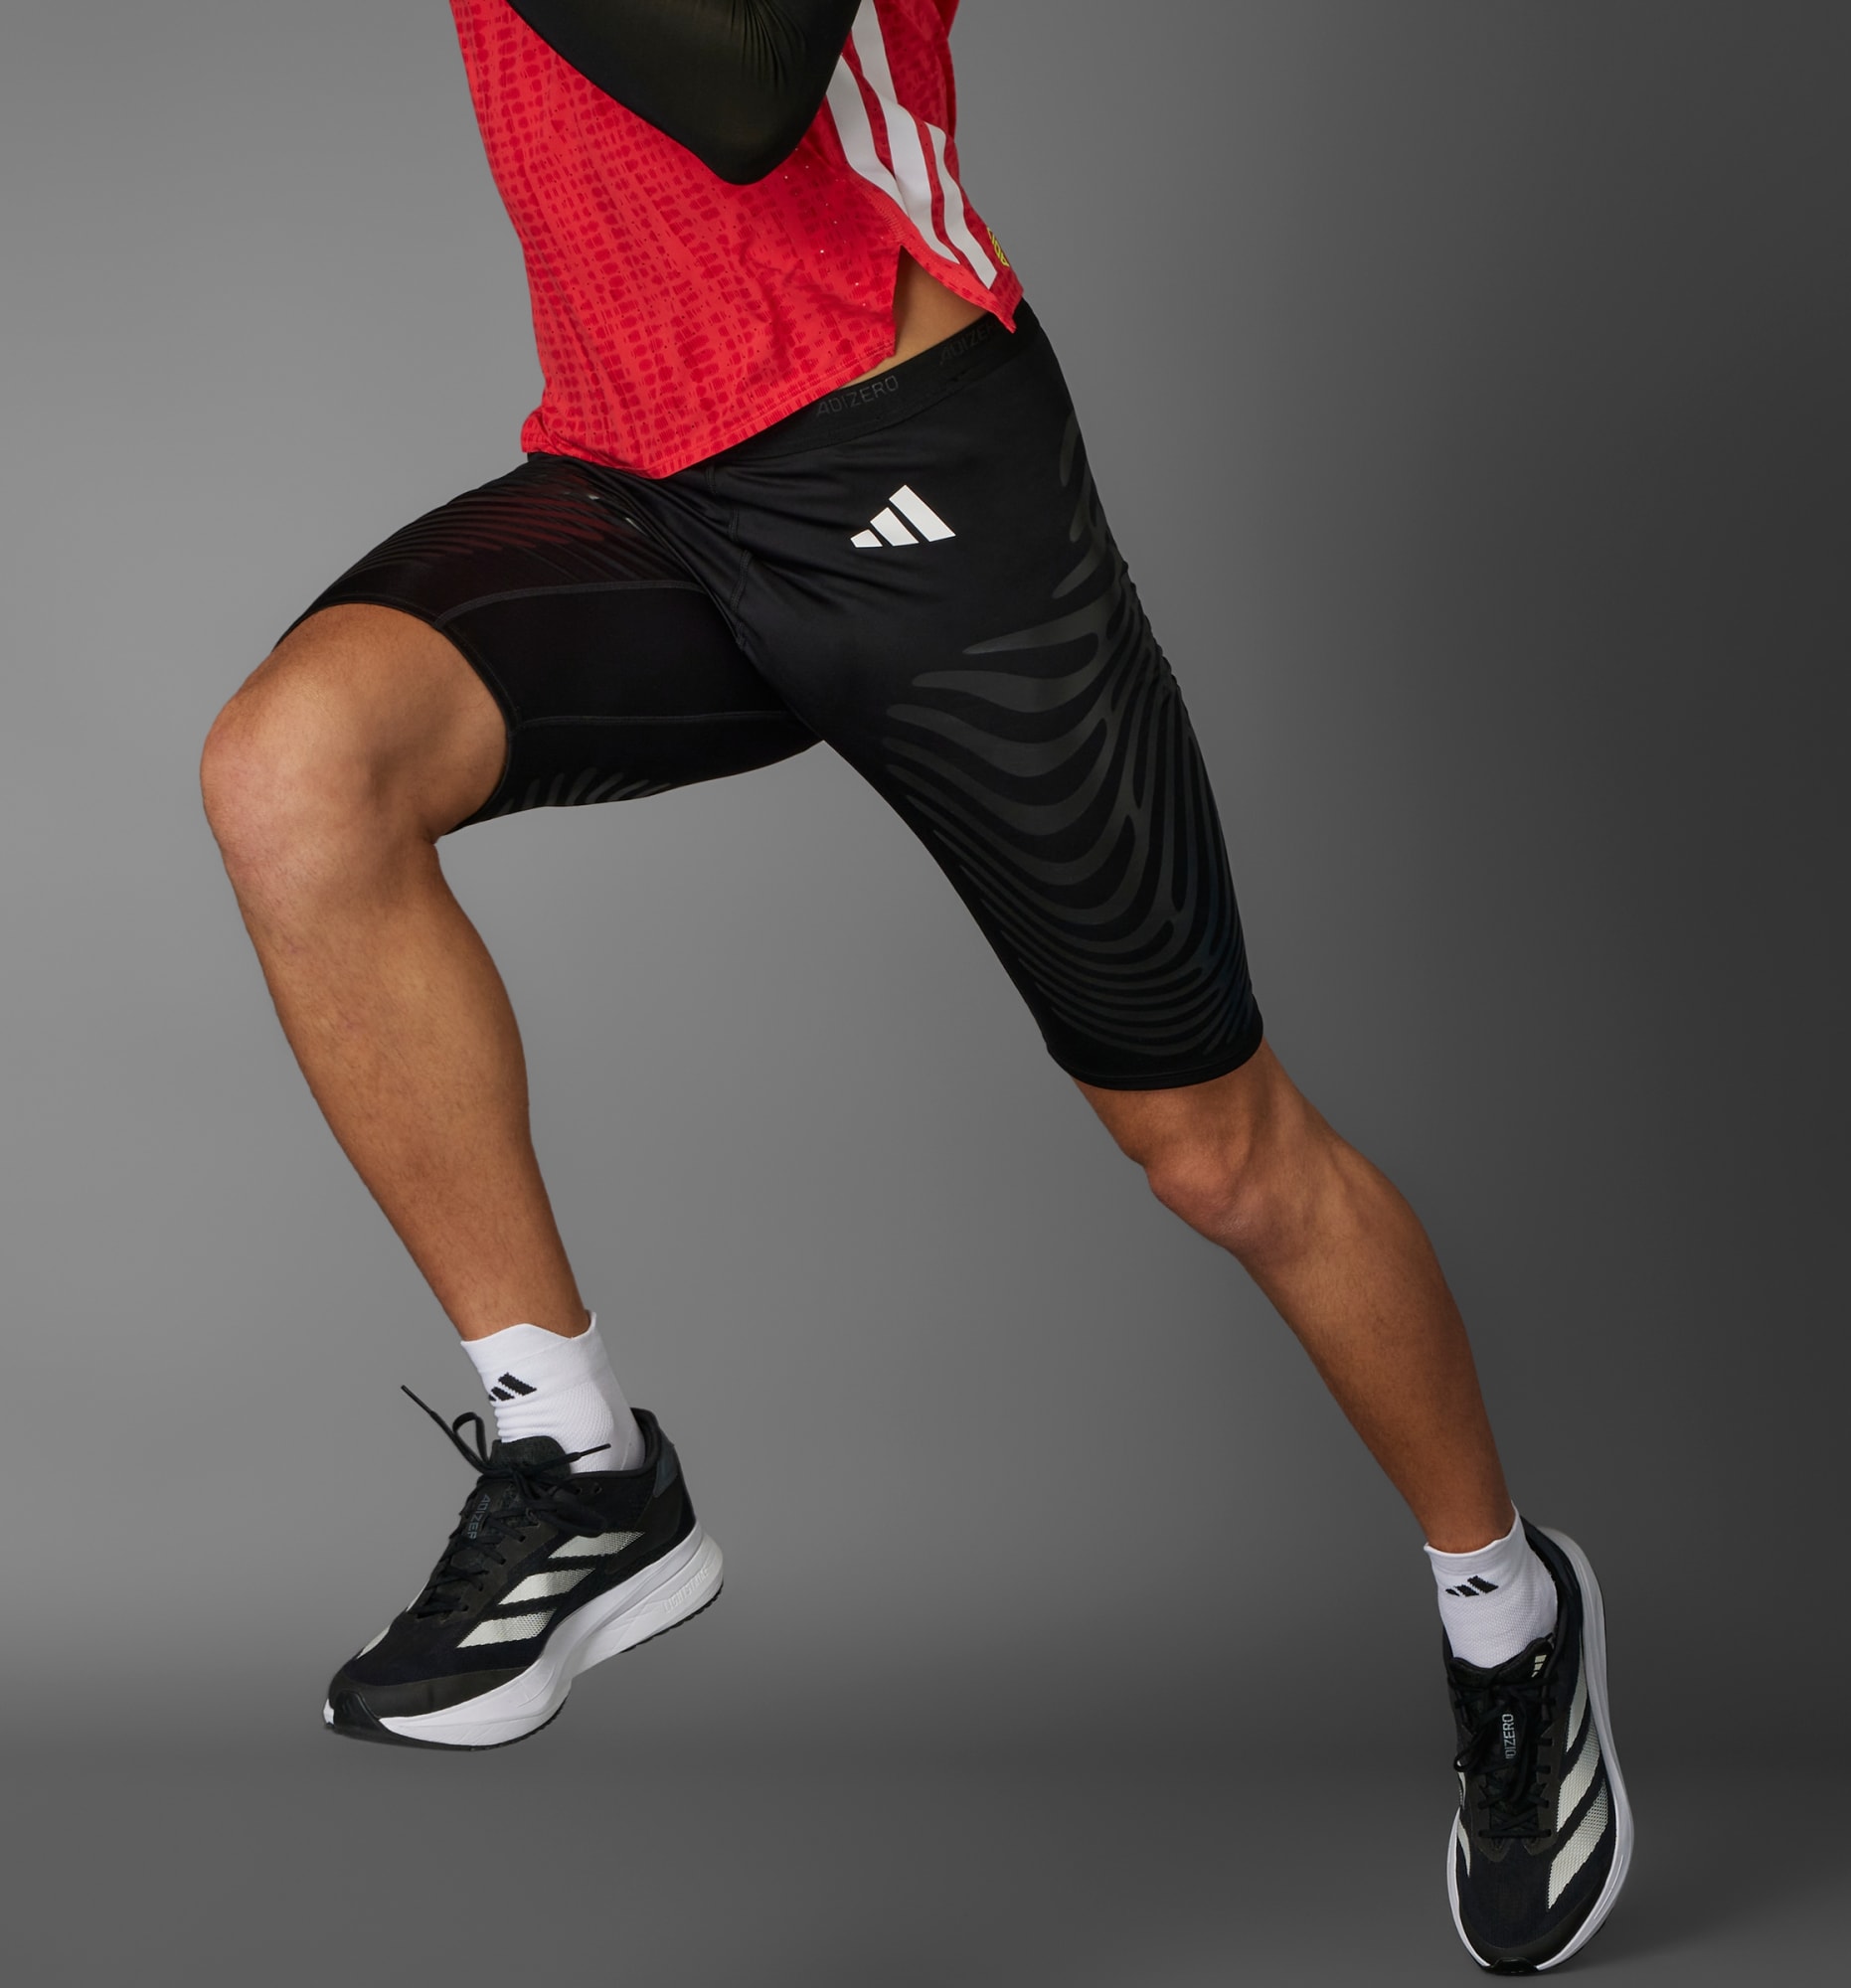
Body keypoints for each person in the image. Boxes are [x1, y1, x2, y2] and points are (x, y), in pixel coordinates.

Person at [198, 2, 1629, 1968]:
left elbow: (740, 88)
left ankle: (1510, 1619)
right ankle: (576, 1458)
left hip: (924, 482)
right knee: (293, 770)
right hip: (644, 476)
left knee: (1221, 1156)